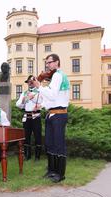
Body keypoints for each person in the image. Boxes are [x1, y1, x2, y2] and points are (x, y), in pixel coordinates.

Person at [34, 53, 69, 183]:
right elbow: (51, 98)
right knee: (49, 144)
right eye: (47, 63)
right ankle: (51, 171)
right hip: (52, 113)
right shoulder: (54, 77)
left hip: (59, 114)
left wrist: (39, 87)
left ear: (57, 62)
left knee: (58, 144)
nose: (47, 65)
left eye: (49, 62)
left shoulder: (58, 76)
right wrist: (41, 105)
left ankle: (60, 174)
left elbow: (53, 95)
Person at [16, 75, 43, 161]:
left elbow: (40, 102)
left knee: (37, 136)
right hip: (27, 116)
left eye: (32, 82)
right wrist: (24, 100)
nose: (30, 83)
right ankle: (27, 155)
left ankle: (37, 157)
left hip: (36, 116)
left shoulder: (39, 92)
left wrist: (33, 97)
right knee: (26, 136)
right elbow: (18, 105)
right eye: (29, 82)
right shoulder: (24, 93)